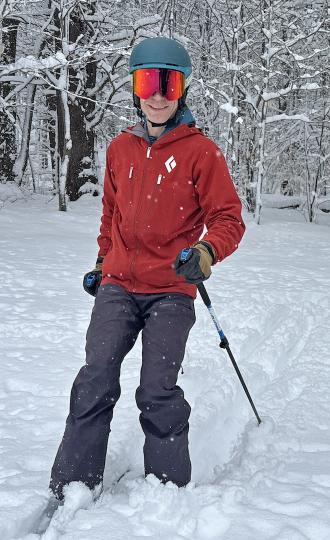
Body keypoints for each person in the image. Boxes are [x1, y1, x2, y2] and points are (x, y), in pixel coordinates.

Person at [47, 37, 246, 500]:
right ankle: (74, 481)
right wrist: (103, 260)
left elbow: (228, 219)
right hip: (118, 283)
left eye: (168, 83)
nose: (158, 94)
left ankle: (167, 487)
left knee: (157, 388)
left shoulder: (202, 153)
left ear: (183, 90)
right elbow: (110, 216)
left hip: (171, 289)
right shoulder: (120, 149)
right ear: (135, 89)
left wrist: (206, 253)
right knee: (94, 377)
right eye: (147, 81)